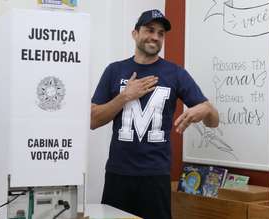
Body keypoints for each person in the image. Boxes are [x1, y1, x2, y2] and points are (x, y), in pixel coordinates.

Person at [90, 9, 219, 219]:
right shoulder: (114, 70)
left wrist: (207, 108)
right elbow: (93, 120)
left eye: (161, 33)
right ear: (135, 34)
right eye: (150, 30)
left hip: (155, 175)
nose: (156, 37)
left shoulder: (175, 73)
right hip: (118, 173)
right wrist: (125, 96)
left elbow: (213, 122)